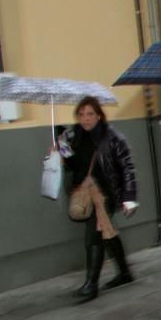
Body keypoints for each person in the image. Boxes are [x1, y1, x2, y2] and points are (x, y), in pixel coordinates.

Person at [57, 96, 138, 303]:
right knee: (107, 233)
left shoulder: (112, 137)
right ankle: (124, 273)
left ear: (99, 115)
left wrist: (129, 198)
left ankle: (91, 285)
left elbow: (127, 168)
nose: (86, 118)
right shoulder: (74, 134)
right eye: (82, 114)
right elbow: (75, 165)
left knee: (93, 236)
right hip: (85, 191)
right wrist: (62, 152)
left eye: (90, 114)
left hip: (106, 194)